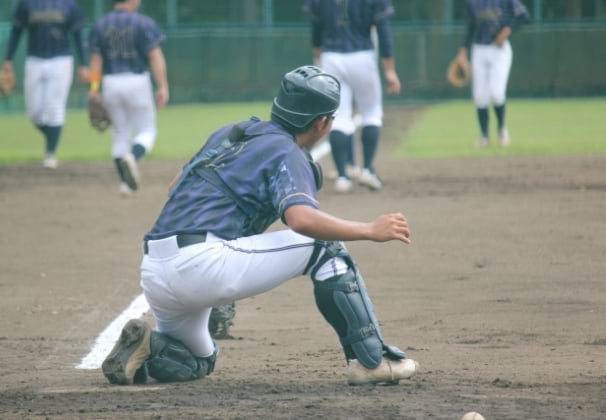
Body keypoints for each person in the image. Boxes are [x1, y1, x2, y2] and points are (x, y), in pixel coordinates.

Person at [101, 65, 418, 386]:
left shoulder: (231, 132)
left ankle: (149, 346)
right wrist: (369, 230)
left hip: (155, 270)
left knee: (198, 360)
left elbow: (175, 188)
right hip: (201, 264)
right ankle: (372, 361)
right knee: (327, 248)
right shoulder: (288, 152)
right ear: (322, 122)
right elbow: (301, 220)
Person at [303, 0, 402, 193]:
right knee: (371, 112)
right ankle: (367, 170)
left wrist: (318, 58)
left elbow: (316, 29)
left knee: (338, 117)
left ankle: (343, 176)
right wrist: (389, 69)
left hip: (331, 57)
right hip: (363, 55)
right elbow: (383, 29)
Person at [88, 0, 169, 196]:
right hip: (136, 81)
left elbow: (96, 61)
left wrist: (94, 88)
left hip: (110, 83)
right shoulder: (142, 22)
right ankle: (133, 157)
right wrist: (163, 86)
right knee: (147, 131)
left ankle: (125, 185)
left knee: (120, 134)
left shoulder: (101, 24)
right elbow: (155, 56)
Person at [1, 0, 89, 169]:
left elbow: (78, 34)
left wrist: (84, 64)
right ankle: (53, 137)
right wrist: (8, 59)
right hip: (34, 59)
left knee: (54, 108)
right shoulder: (27, 3)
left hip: (61, 59)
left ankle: (51, 152)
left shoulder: (69, 4)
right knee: (34, 113)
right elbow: (16, 31)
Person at [453, 0, 530, 148]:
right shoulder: (473, 3)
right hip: (479, 49)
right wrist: (463, 50)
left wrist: (507, 30)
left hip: (499, 50)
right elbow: (471, 27)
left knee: (496, 93)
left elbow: (524, 16)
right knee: (480, 96)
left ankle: (501, 129)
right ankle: (484, 136)